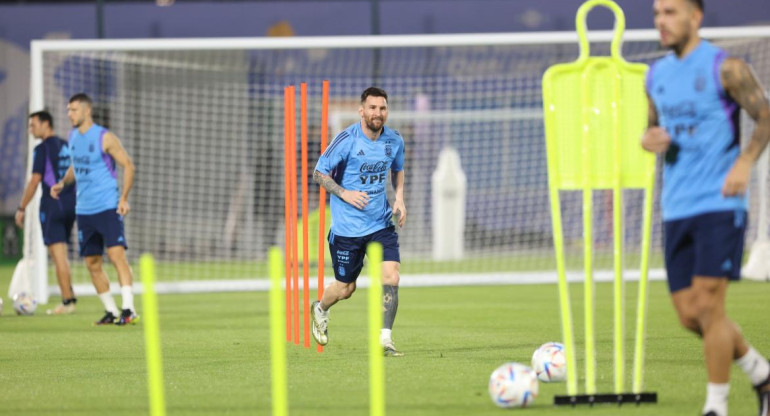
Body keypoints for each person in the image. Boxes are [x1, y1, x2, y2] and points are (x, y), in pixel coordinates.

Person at [643, 1, 770, 415]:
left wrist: (745, 161)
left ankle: (716, 406)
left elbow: (765, 116)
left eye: (671, 12)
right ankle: (761, 373)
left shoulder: (725, 68)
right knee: (688, 315)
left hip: (720, 201)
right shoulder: (655, 75)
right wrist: (650, 139)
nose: (661, 21)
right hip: (675, 206)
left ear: (695, 17)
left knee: (711, 307)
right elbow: (652, 128)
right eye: (658, 12)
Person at [310, 87, 407, 357]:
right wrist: (345, 193)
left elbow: (398, 170)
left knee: (391, 276)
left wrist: (399, 199)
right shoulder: (346, 140)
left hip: (380, 223)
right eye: (373, 108)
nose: (378, 113)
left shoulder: (395, 141)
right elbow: (319, 173)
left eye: (383, 108)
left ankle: (385, 340)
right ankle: (320, 308)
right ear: (361, 111)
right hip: (347, 229)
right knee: (345, 289)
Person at [51, 93, 139, 326]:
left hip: (107, 206)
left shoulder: (104, 137)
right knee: (92, 262)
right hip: (84, 210)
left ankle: (129, 309)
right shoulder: (72, 137)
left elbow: (129, 165)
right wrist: (62, 182)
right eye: (68, 110)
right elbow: (75, 167)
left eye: (74, 110)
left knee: (116, 255)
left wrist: (124, 198)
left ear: (87, 111)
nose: (70, 114)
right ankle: (111, 310)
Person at [15, 111, 77, 315]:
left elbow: (34, 181)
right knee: (64, 254)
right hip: (72, 204)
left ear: (46, 124)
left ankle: (67, 302)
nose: (30, 129)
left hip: (52, 205)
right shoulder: (66, 145)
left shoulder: (41, 149)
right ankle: (70, 295)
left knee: (57, 254)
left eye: (33, 125)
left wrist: (22, 207)